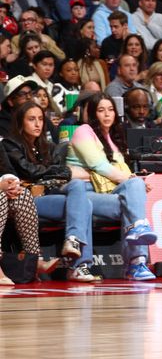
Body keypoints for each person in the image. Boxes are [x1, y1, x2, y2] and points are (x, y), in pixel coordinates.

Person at [3, 101, 99, 281]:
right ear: (21, 122)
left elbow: (57, 174)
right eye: (31, 119)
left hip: (50, 194)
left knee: (80, 193)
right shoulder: (10, 144)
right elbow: (29, 171)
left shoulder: (47, 146)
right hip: (28, 199)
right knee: (83, 203)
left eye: (40, 119)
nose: (38, 124)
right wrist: (61, 172)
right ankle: (79, 265)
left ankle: (73, 242)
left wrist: (60, 172)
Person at [66, 93, 158, 280]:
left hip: (108, 191)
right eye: (101, 110)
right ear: (92, 114)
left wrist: (135, 184)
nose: (107, 114)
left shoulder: (113, 138)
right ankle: (135, 261)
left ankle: (137, 257)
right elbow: (99, 166)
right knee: (132, 205)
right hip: (85, 193)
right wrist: (132, 182)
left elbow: (123, 172)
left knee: (134, 191)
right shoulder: (83, 131)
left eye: (110, 110)